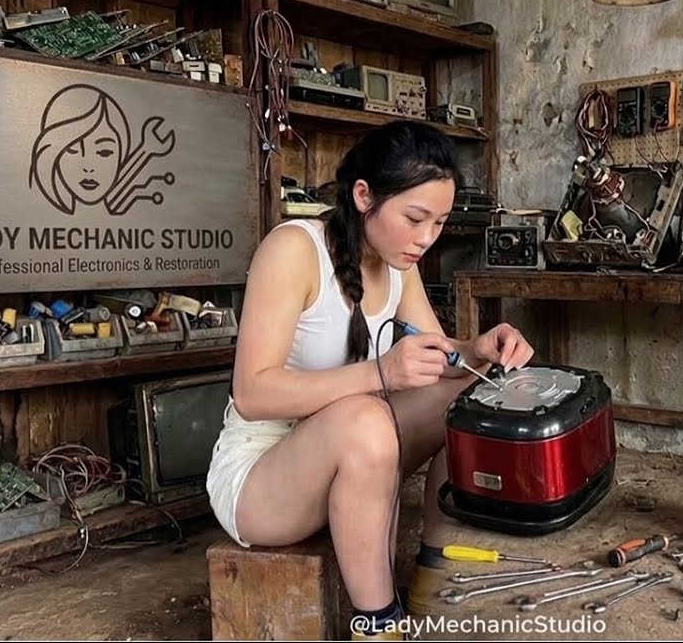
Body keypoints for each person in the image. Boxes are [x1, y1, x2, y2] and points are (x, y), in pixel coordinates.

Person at [206, 120, 535, 640]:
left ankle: (432, 570)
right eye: (415, 218)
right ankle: (379, 624)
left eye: (440, 222)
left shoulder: (398, 259)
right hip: (263, 475)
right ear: (364, 196)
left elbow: (437, 356)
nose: (427, 238)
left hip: (354, 442)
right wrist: (381, 372)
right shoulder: (293, 250)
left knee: (472, 399)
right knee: (367, 415)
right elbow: (251, 394)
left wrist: (476, 349)